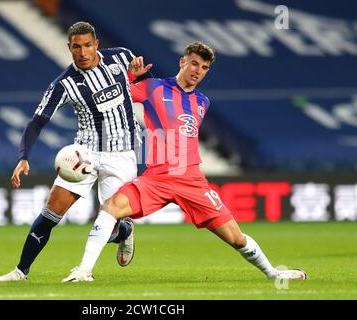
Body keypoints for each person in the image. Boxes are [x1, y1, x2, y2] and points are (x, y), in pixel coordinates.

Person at [61, 42, 307, 282]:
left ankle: (272, 272)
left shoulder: (202, 102)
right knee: (111, 208)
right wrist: (129, 76)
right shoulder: (153, 88)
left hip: (192, 181)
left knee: (236, 238)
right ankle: (83, 271)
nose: (198, 71)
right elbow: (114, 99)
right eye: (194, 63)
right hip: (155, 178)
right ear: (182, 62)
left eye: (204, 67)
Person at [0, 21, 140, 282]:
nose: (82, 53)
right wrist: (23, 157)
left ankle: (125, 231)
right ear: (68, 48)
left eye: (87, 45)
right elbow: (36, 122)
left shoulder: (122, 57)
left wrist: (139, 76)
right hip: (83, 156)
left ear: (96, 44)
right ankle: (21, 271)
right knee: (51, 212)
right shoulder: (63, 84)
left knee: (110, 224)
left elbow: (147, 88)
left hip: (121, 154)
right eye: (76, 47)